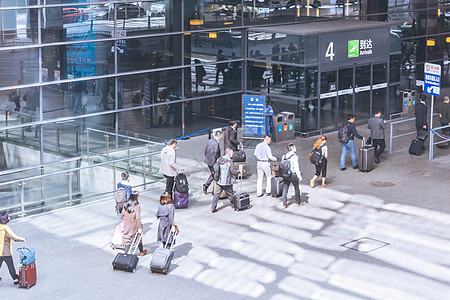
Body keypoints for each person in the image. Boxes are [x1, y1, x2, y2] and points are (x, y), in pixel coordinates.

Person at [211, 147, 240, 213]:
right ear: (229, 154)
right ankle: (235, 206)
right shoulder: (229, 162)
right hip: (227, 182)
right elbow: (233, 172)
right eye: (232, 154)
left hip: (219, 181)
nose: (232, 155)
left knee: (216, 195)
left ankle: (213, 207)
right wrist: (239, 171)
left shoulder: (219, 159)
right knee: (231, 195)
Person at [0, 213, 26, 284]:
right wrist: (22, 239)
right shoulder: (6, 229)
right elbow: (14, 237)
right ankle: (15, 279)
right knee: (10, 266)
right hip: (5, 252)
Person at [122, 192, 147, 256]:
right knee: (138, 237)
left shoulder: (125, 205)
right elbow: (138, 218)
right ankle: (141, 251)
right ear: (137, 197)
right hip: (134, 224)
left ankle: (126, 254)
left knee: (127, 237)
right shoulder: (137, 206)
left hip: (127, 223)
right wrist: (140, 227)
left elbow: (123, 213)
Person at [281, 143, 303, 208]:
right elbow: (296, 167)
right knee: (296, 188)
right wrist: (299, 176)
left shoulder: (284, 156)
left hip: (285, 174)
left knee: (285, 188)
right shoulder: (295, 157)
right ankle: (298, 202)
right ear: (292, 149)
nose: (296, 149)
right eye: (295, 147)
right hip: (292, 175)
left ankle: (284, 204)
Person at [203, 130, 223, 195]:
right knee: (215, 175)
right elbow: (216, 152)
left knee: (213, 174)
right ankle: (209, 187)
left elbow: (206, 150)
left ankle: (210, 188)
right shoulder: (216, 143)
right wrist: (219, 159)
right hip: (213, 162)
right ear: (219, 136)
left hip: (208, 160)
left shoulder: (209, 141)